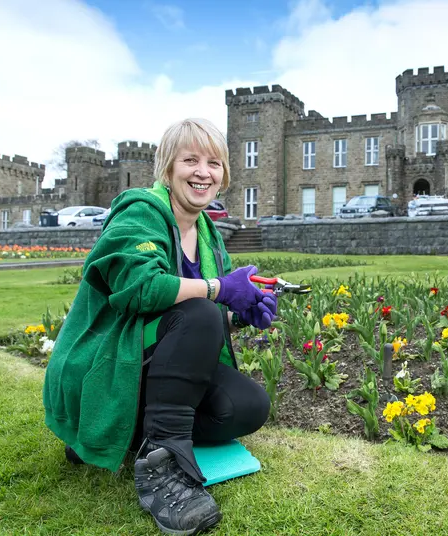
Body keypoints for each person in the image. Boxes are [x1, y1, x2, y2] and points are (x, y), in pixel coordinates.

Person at [43, 118, 275, 535]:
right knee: (202, 309)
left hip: (147, 364)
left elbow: (182, 325)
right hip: (105, 364)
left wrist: (240, 313)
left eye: (214, 163)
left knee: (248, 406)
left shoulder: (207, 232)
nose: (204, 172)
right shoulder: (140, 212)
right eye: (191, 160)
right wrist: (220, 289)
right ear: (168, 168)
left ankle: (127, 436)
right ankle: (164, 470)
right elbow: (139, 291)